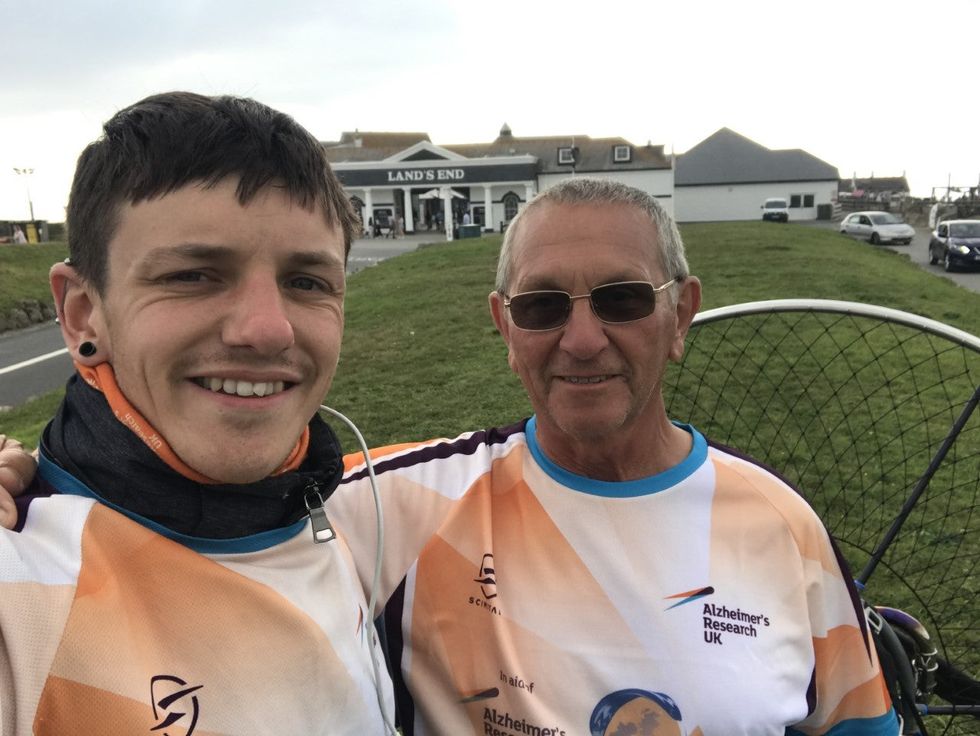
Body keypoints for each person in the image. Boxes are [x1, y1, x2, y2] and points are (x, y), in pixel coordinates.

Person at [1, 179, 898, 735]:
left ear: (682, 313)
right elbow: (184, 506)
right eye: (543, 307)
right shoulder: (388, 506)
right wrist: (21, 473)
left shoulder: (784, 526)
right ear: (504, 327)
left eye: (622, 300)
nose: (582, 341)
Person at [0, 91, 393, 735]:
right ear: (80, 314)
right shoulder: (20, 586)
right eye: (193, 275)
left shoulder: (355, 508)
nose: (268, 331)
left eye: (308, 282)